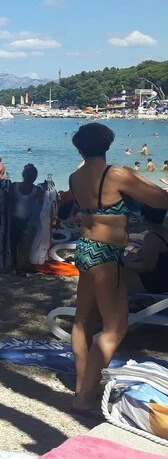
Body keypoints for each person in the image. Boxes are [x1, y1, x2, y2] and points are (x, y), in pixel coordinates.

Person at [66, 122, 168, 414]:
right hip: (106, 253)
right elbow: (160, 199)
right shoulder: (116, 174)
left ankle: (82, 386)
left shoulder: (75, 177)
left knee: (83, 320)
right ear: (107, 143)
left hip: (85, 248)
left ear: (80, 148)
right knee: (115, 327)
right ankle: (85, 397)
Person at [122, 205, 168, 295]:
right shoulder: (164, 231)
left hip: (159, 283)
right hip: (163, 276)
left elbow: (147, 267)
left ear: (143, 217)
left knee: (117, 274)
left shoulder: (152, 237)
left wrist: (128, 265)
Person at [10, 164, 44, 271]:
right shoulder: (36, 190)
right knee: (25, 245)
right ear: (35, 177)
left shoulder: (14, 186)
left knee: (15, 244)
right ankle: (22, 264)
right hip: (26, 221)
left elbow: (7, 202)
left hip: (13, 220)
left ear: (23, 175)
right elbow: (43, 205)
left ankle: (17, 264)